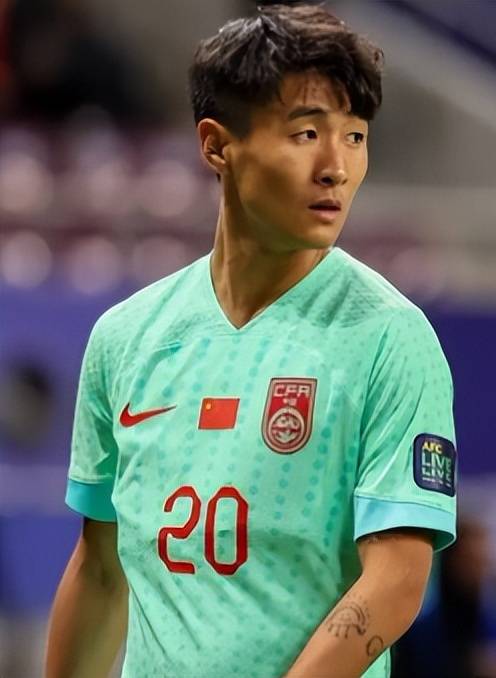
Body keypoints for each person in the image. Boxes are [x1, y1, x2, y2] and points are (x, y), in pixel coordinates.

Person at [44, 5, 458, 677]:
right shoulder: (125, 338)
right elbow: (99, 569)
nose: (336, 167)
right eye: (306, 133)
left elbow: (396, 582)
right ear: (217, 146)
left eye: (355, 136)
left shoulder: (391, 338)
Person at [393, 517, 496, 678]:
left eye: (483, 562)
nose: (479, 572)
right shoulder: (421, 631)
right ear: (451, 560)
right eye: (470, 560)